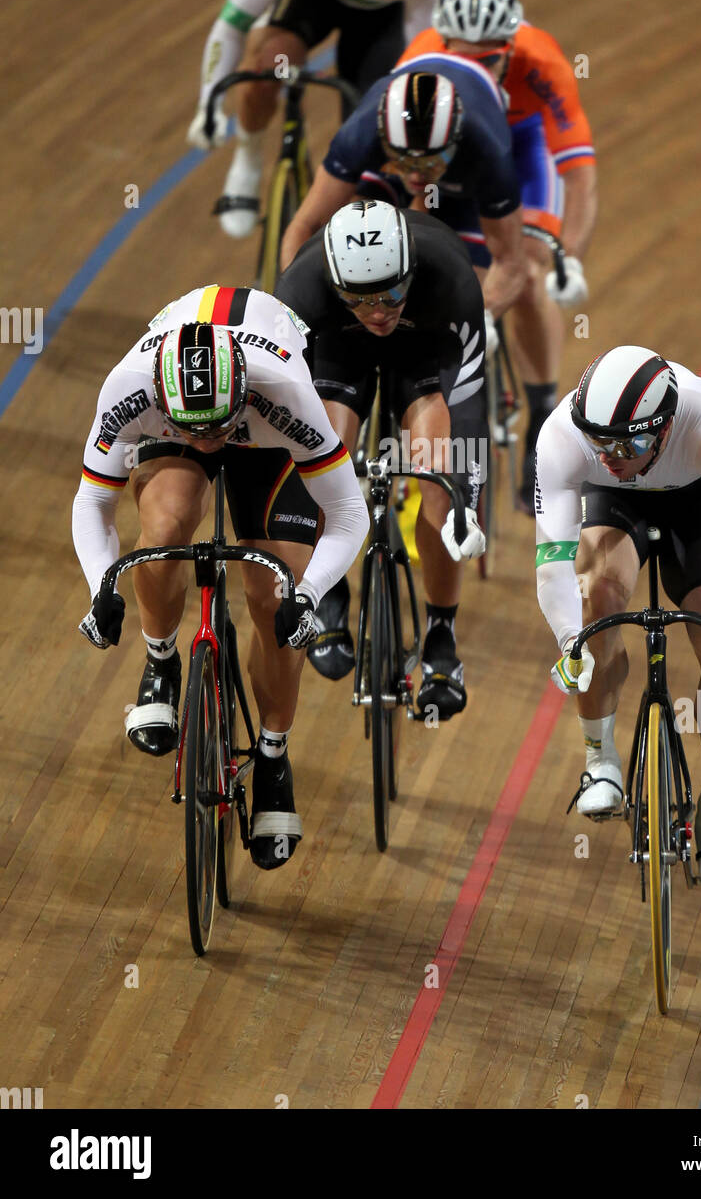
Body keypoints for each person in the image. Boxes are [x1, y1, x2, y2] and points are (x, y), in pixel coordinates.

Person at [72, 287, 368, 871]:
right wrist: (99, 586)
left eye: (218, 428)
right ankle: (161, 663)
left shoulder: (284, 391)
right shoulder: (130, 387)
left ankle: (274, 755)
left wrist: (307, 596)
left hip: (264, 433)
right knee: (162, 531)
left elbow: (350, 513)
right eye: (197, 433)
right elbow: (92, 503)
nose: (209, 443)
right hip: (184, 420)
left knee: (275, 592)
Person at [534, 345, 701, 900]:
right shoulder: (565, 438)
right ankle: (599, 757)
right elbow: (552, 562)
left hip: (694, 504)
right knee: (599, 597)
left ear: (663, 430)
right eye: (601, 442)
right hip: (614, 504)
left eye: (630, 443)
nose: (612, 454)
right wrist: (570, 640)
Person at [276, 199, 488, 718]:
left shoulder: (450, 279)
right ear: (334, 283)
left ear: (411, 270)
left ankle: (441, 635)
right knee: (325, 455)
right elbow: (286, 407)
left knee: (438, 488)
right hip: (336, 347)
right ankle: (329, 592)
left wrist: (463, 495)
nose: (378, 310)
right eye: (361, 298)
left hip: (425, 349)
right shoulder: (300, 291)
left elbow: (466, 406)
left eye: (392, 292)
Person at [399, 0, 598, 512]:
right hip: (454, 152)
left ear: (511, 49)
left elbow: (578, 174)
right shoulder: (418, 62)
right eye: (463, 58)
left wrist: (569, 257)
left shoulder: (543, 61)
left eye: (489, 61)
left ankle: (541, 413)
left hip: (521, 149)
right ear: (442, 46)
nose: (475, 72)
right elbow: (402, 166)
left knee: (531, 273)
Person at [186, 0, 448, 237]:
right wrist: (209, 104)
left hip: (380, 17)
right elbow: (231, 25)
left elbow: (425, 60)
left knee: (371, 130)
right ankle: (247, 160)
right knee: (267, 67)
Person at [278, 61, 531, 323]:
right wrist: (298, 312)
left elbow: (511, 263)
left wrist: (482, 320)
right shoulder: (360, 135)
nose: (415, 176)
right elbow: (306, 225)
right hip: (395, 169)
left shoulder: (487, 153)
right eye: (406, 162)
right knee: (353, 227)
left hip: (460, 181)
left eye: (427, 163)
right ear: (384, 140)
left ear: (454, 142)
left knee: (464, 290)